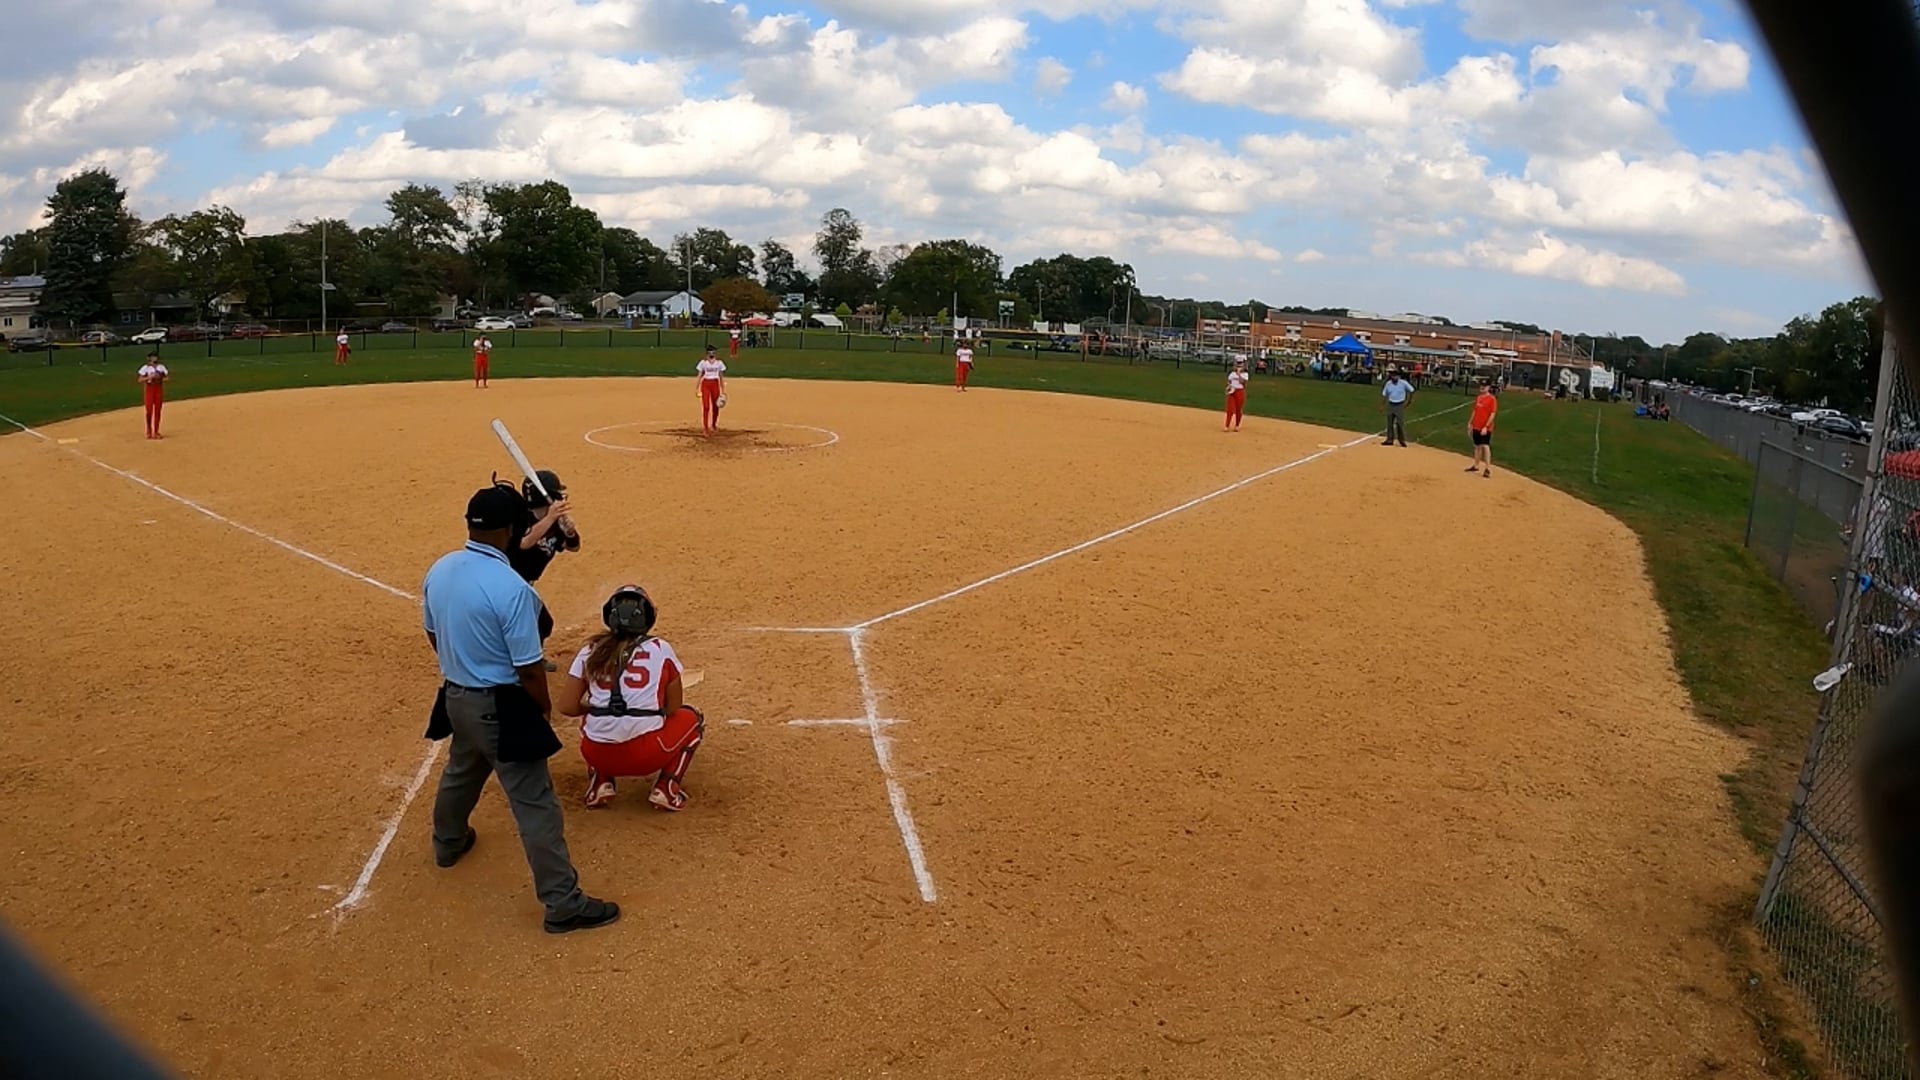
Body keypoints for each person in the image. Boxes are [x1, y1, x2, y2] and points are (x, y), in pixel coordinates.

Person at [420, 485, 619, 934]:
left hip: (456, 696)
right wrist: (541, 713)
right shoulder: (512, 588)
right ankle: (563, 903)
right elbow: (529, 668)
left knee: (461, 771)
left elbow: (433, 633)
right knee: (535, 805)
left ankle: (448, 843)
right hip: (501, 706)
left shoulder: (441, 568)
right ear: (511, 529)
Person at [557, 585, 705, 812]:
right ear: (647, 618)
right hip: (646, 755)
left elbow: (567, 706)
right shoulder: (660, 648)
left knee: (591, 716)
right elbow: (673, 706)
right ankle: (667, 788)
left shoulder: (590, 649)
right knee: (692, 718)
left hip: (597, 754)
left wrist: (602, 708)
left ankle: (600, 782)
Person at [1465, 380, 1498, 478]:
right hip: (1476, 425)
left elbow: (1492, 414)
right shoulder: (1479, 397)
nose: (1482, 387)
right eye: (1481, 385)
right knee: (1477, 446)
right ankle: (1476, 465)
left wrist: (1486, 427)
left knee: (1485, 446)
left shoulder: (1492, 399)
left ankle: (1487, 468)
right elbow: (1475, 411)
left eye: (1485, 386)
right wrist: (1470, 423)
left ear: (1489, 387)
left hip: (1485, 427)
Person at [696, 346, 727, 436]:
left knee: (716, 406)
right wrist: (697, 388)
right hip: (706, 384)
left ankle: (713, 425)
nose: (711, 354)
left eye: (713, 353)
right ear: (707, 354)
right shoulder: (703, 363)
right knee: (706, 407)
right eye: (710, 353)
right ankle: (705, 428)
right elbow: (699, 376)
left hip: (715, 384)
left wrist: (723, 390)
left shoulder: (719, 363)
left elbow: (721, 377)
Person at [137, 352, 168, 440]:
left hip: (158, 389)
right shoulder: (146, 368)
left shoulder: (161, 367)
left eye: (156, 357)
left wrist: (159, 378)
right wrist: (149, 377)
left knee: (158, 411)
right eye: (153, 357)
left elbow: (167, 377)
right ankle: (149, 431)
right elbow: (139, 380)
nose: (155, 358)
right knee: (149, 411)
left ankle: (156, 431)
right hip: (149, 390)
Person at [1381, 370, 1414, 446]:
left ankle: (1401, 440)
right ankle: (1389, 439)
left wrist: (1410, 400)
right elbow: (1384, 394)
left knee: (1399, 423)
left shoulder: (1403, 383)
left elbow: (1412, 390)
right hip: (1391, 404)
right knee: (1389, 423)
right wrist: (1382, 405)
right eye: (1392, 376)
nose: (1394, 377)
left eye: (1395, 376)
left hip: (1399, 404)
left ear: (1399, 376)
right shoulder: (1388, 384)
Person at [1225, 357, 1249, 432]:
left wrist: (1238, 374)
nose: (1239, 366)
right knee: (1230, 409)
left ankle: (1237, 425)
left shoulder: (1245, 374)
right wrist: (1229, 386)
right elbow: (1229, 381)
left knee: (1238, 409)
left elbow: (1243, 383)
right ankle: (1227, 426)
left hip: (1240, 391)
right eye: (1237, 364)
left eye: (1240, 365)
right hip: (1232, 391)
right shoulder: (1232, 374)